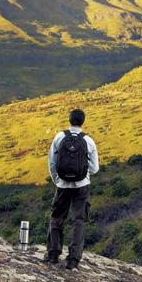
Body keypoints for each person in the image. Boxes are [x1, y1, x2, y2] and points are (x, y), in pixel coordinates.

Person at [44, 108, 99, 270]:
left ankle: (53, 254)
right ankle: (73, 259)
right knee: (79, 221)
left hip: (62, 185)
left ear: (69, 120)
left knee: (57, 217)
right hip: (82, 186)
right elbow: (95, 168)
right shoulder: (88, 140)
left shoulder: (60, 137)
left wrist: (57, 180)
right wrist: (82, 169)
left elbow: (52, 162)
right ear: (83, 121)